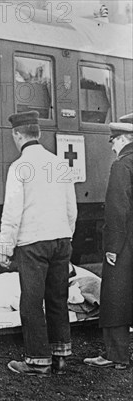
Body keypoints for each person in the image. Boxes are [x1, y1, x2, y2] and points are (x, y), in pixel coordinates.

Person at [0, 111, 77, 377]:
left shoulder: (19, 167)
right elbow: (71, 209)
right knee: (57, 298)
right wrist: (67, 235)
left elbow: (12, 213)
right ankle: (60, 355)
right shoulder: (59, 164)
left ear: (17, 135)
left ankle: (37, 360)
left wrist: (5, 249)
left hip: (33, 243)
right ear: (39, 134)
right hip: (60, 240)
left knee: (31, 302)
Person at [84, 115, 133, 370]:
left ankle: (117, 355)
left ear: (123, 139)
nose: (112, 146)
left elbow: (117, 210)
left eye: (112, 141)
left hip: (125, 242)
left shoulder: (121, 165)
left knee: (115, 295)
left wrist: (111, 247)